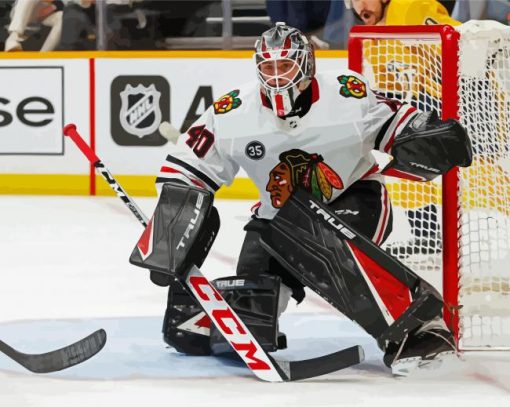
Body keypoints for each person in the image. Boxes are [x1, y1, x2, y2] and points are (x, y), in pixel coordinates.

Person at [130, 23, 472, 375]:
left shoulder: (347, 94)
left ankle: (419, 330)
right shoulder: (232, 111)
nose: (276, 77)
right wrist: (173, 224)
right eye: (268, 68)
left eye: (286, 66)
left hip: (356, 198)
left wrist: (421, 135)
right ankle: (206, 321)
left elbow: (395, 122)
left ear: (307, 65)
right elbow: (189, 168)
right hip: (276, 216)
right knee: (250, 306)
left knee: (319, 240)